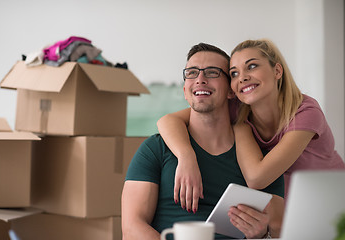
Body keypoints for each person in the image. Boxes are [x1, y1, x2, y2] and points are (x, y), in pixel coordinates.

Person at [156, 39, 345, 213]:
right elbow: (167, 121)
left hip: (330, 199)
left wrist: (240, 128)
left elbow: (256, 178)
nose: (243, 78)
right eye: (234, 73)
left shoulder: (305, 112)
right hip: (287, 205)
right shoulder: (237, 108)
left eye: (252, 66)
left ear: (277, 71)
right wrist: (186, 157)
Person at [121, 43, 285, 240]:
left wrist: (261, 235)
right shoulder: (155, 149)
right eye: (192, 73)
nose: (200, 79)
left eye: (212, 72)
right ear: (185, 90)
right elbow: (132, 228)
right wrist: (186, 156)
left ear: (231, 90)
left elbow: (278, 231)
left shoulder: (262, 159)